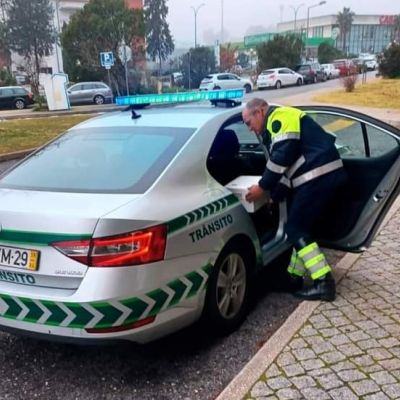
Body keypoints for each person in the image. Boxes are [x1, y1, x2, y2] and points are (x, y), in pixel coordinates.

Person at [243, 98, 346, 302]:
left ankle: (324, 282)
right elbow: (289, 165)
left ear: (260, 111)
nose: (249, 128)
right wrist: (275, 195)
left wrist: (262, 187)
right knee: (301, 229)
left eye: (248, 122)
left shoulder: (278, 118)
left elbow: (282, 157)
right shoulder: (277, 124)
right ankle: (293, 278)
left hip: (318, 176)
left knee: (295, 229)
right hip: (321, 176)